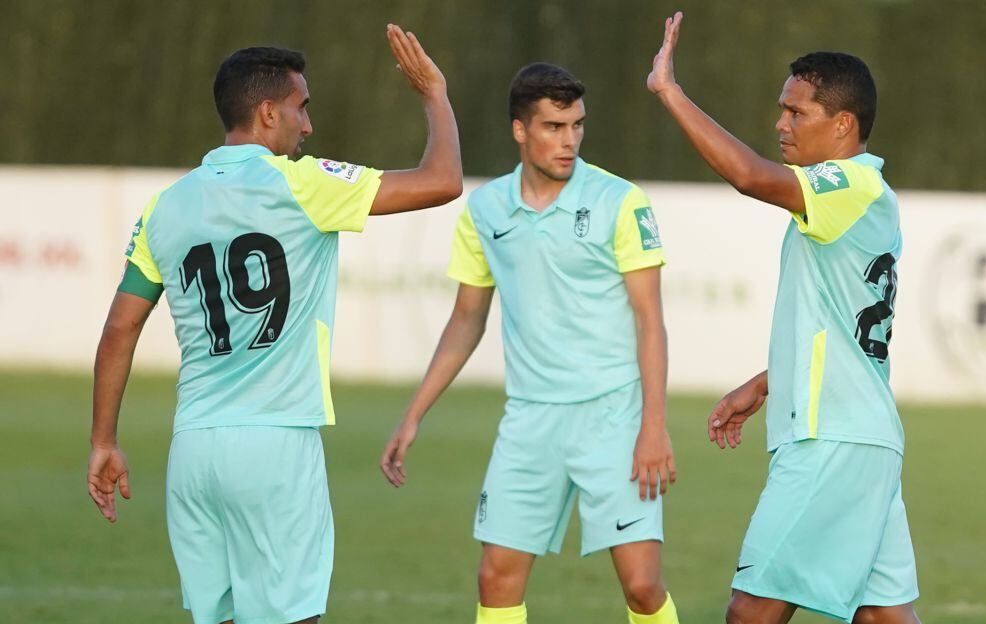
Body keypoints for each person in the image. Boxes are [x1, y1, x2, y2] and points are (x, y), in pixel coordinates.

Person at [86, 26, 462, 624]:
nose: (307, 125)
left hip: (194, 450)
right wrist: (434, 93)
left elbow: (118, 331)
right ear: (267, 113)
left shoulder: (165, 205)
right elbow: (442, 181)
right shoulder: (303, 183)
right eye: (301, 108)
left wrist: (104, 440)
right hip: (275, 445)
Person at [380, 62, 680, 624]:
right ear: (520, 130)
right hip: (529, 421)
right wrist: (414, 413)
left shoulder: (622, 201)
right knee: (495, 579)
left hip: (612, 418)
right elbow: (467, 318)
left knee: (642, 586)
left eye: (577, 126)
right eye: (553, 127)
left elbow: (650, 320)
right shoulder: (486, 209)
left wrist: (654, 426)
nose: (569, 141)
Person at [646, 12, 920, 624]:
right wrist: (769, 381)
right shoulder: (867, 196)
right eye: (783, 108)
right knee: (884, 616)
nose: (781, 123)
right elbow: (842, 317)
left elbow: (748, 176)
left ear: (843, 124)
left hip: (831, 439)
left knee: (751, 611)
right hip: (863, 436)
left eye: (797, 112)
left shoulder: (848, 186)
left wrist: (670, 91)